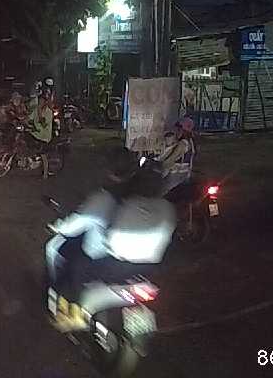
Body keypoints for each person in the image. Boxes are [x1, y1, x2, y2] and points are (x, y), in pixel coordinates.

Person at [48, 153, 175, 331]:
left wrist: (57, 227)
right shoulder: (167, 207)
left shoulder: (116, 201)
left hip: (115, 264)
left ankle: (75, 314)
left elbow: (84, 226)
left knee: (77, 267)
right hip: (150, 268)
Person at [157, 117, 197, 196]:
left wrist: (159, 165)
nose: (176, 131)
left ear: (182, 130)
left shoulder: (182, 144)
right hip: (185, 175)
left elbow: (171, 159)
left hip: (175, 176)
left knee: (162, 195)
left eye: (178, 129)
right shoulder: (191, 141)